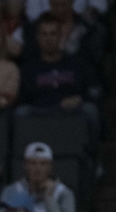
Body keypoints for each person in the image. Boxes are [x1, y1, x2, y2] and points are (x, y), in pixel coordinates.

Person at [16, 13, 101, 143]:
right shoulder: (28, 68)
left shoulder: (76, 64)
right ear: (37, 37)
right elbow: (23, 98)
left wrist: (80, 98)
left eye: (53, 34)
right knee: (21, 113)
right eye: (44, 34)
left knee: (90, 110)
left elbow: (93, 91)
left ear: (60, 36)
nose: (49, 39)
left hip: (70, 111)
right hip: (39, 111)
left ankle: (92, 160)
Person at [0, 142, 77, 212]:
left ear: (50, 167)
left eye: (43, 164)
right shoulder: (12, 191)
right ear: (25, 165)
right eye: (33, 163)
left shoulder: (63, 193)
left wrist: (49, 199)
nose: (38, 169)